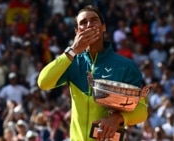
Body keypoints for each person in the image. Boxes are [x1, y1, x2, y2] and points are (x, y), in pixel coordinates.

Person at [37, 5, 148, 141]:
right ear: (77, 31)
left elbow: (142, 110)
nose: (89, 25)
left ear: (104, 27)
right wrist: (72, 50)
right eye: (83, 23)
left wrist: (118, 118)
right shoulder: (71, 62)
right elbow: (43, 82)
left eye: (94, 20)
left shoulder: (126, 66)